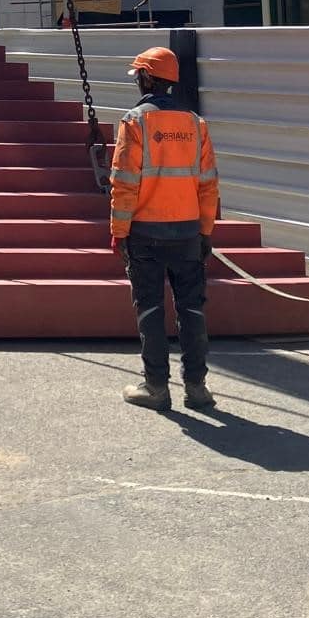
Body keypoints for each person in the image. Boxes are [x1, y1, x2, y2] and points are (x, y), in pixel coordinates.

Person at [111, 45, 220, 412]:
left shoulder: (134, 122)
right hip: (188, 232)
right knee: (192, 310)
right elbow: (208, 184)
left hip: (145, 232)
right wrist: (206, 231)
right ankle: (197, 388)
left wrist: (119, 231)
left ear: (146, 77)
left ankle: (156, 387)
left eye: (138, 75)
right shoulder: (195, 124)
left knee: (150, 309)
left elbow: (124, 183)